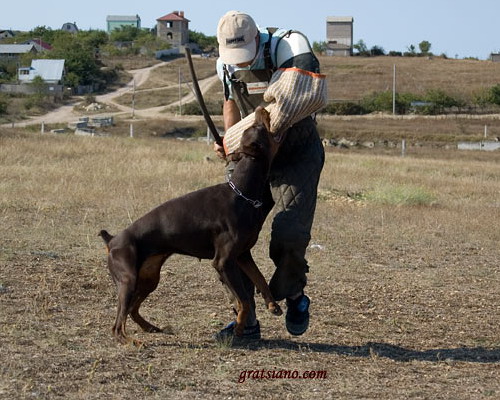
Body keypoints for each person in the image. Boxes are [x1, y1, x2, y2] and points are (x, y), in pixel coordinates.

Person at [214, 10, 326, 341]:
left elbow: (292, 105)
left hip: (296, 153)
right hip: (254, 154)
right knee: (229, 238)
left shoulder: (290, 48)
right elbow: (230, 101)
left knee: (290, 232)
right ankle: (244, 320)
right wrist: (229, 140)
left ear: (257, 38)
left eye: (245, 54)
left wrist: (239, 138)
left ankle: (294, 296)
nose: (240, 62)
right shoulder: (225, 60)